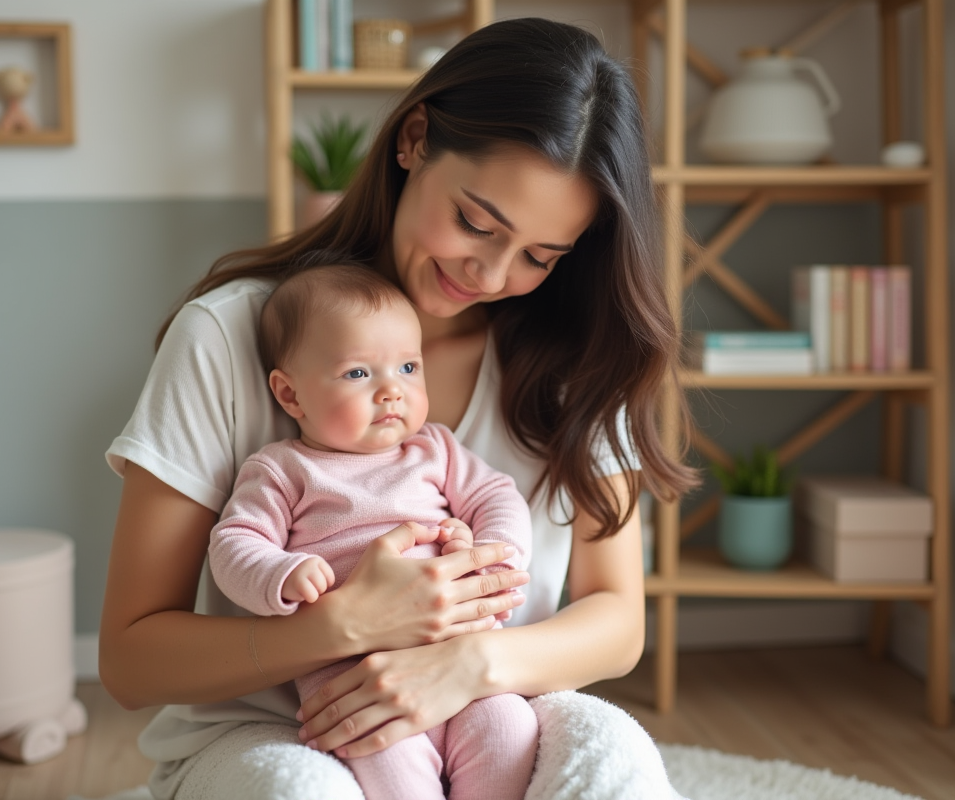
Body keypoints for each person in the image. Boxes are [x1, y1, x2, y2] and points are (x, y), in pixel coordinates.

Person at [100, 16, 695, 800]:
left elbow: (617, 621)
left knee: (616, 756)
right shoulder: (228, 335)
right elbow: (130, 660)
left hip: (489, 701)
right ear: (414, 138)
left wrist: (470, 665)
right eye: (476, 223)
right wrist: (338, 629)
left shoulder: (576, 362)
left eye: (540, 257)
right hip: (277, 731)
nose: (489, 273)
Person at [208, 264, 539, 800]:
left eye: (409, 366)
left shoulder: (435, 448)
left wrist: (491, 556)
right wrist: (280, 573)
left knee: (510, 730)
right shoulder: (284, 470)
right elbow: (232, 544)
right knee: (387, 759)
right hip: (355, 680)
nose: (392, 391)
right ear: (290, 395)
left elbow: (496, 495)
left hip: (459, 658)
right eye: (359, 374)